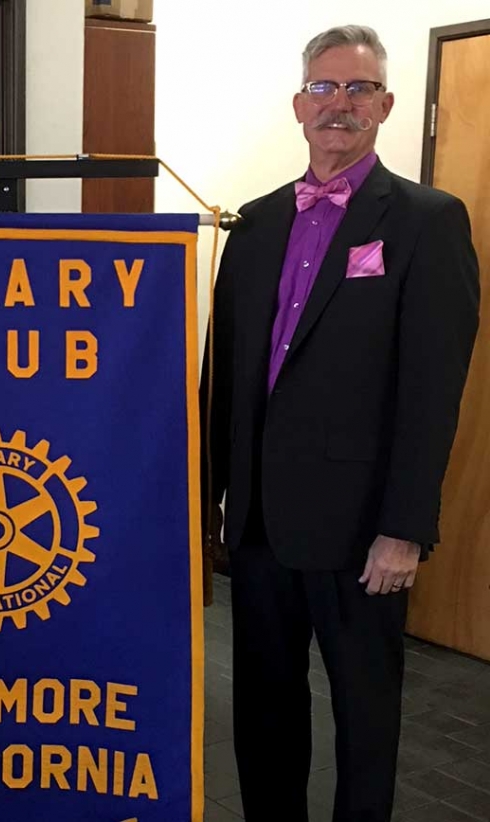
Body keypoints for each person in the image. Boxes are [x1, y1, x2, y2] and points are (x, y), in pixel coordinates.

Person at [202, 25, 480, 822]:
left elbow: (434, 391)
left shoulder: (428, 220)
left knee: (364, 716)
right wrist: (209, 500)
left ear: (387, 105)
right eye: (324, 88)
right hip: (256, 526)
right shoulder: (250, 225)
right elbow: (222, 377)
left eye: (359, 89)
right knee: (263, 709)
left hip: (362, 534)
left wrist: (405, 529)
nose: (340, 105)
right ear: (299, 104)